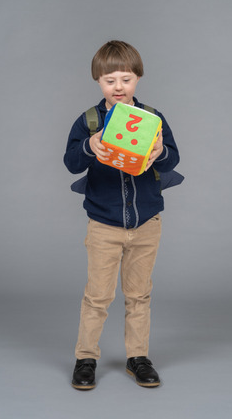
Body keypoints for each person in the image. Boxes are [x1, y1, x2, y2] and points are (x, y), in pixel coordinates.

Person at [63, 40, 180, 390]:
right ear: (98, 81)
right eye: (110, 79)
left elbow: (173, 158)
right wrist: (89, 145)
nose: (118, 87)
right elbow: (71, 163)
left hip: (147, 224)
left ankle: (138, 357)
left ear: (138, 79)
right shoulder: (89, 121)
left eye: (126, 79)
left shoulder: (154, 118)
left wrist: (159, 151)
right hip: (103, 224)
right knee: (97, 296)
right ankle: (86, 358)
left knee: (139, 294)